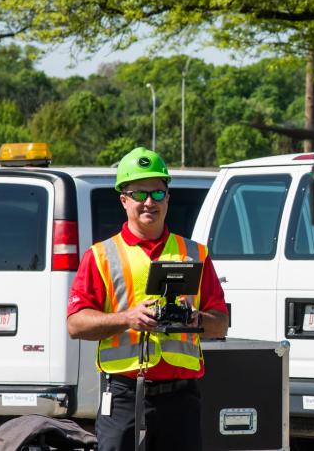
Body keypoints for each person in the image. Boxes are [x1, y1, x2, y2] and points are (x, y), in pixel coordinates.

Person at [67, 147, 229, 451]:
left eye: (157, 193)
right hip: (124, 396)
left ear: (168, 198)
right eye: (139, 194)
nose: (149, 202)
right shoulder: (100, 256)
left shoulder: (195, 253)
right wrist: (128, 318)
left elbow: (220, 324)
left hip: (181, 400)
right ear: (124, 199)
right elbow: (76, 324)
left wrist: (196, 320)